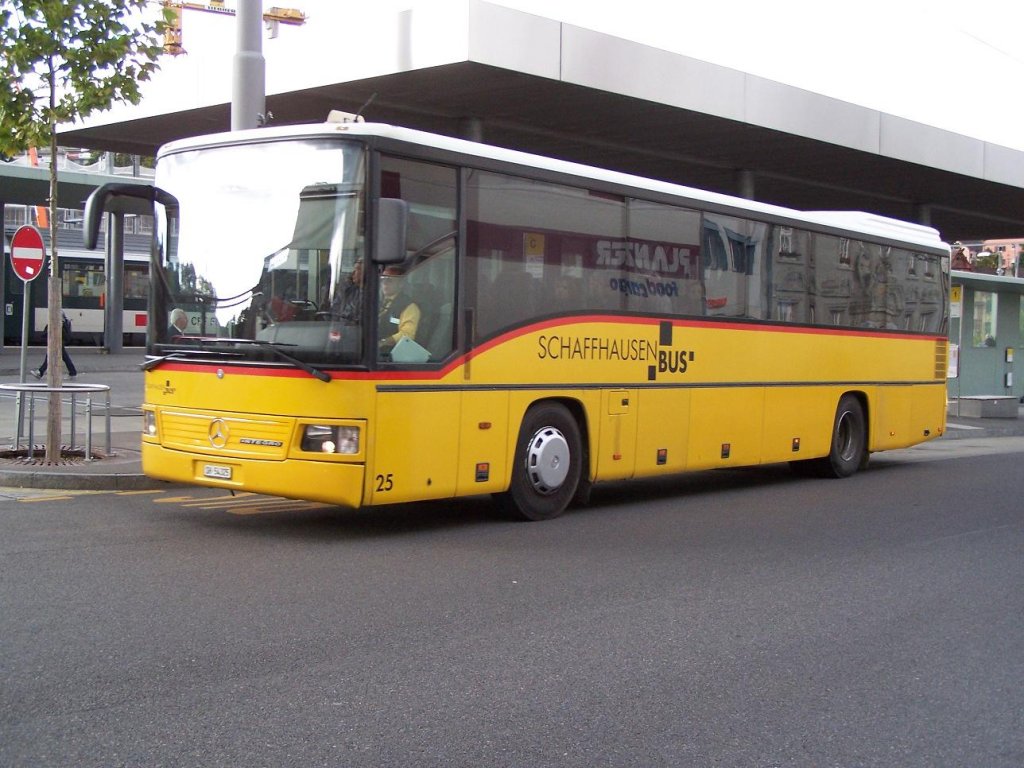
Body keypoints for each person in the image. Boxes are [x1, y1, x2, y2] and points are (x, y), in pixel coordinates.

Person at [377, 265, 420, 352]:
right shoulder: (377, 302)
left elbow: (407, 335)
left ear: (401, 284)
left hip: (390, 352)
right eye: (383, 279)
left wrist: (382, 342)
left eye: (389, 280)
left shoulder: (409, 306)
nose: (385, 283)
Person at [32, 312, 77, 379]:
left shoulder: (59, 323)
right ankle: (73, 372)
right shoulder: (64, 322)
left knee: (50, 357)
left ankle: (40, 372)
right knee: (64, 358)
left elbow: (50, 333)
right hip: (58, 343)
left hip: (56, 343)